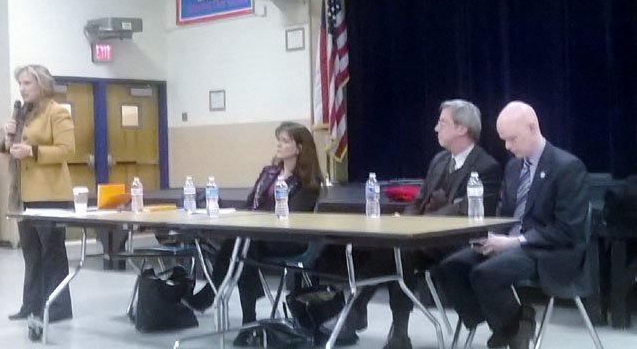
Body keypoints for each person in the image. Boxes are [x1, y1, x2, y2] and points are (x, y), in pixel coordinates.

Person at [332, 99, 502, 349]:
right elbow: (420, 200)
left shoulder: (487, 167)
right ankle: (390, 329)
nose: (436, 128)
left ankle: (374, 319)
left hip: (456, 242)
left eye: (442, 123)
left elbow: (467, 212)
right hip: (421, 237)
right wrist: (407, 220)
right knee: (387, 247)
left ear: (461, 129)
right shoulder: (440, 160)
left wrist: (420, 225)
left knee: (400, 252)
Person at [436, 101, 589, 349]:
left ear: (532, 127)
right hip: (512, 242)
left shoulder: (567, 168)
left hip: (550, 249)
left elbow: (568, 229)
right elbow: (505, 214)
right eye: (504, 140)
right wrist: (490, 237)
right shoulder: (514, 167)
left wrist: (515, 242)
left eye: (512, 139)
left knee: (485, 274)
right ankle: (515, 323)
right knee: (451, 267)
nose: (507, 147)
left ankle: (508, 330)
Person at [185, 121, 323, 347]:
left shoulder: (308, 182)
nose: (279, 145)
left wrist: (257, 219)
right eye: (278, 140)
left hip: (288, 239)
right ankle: (247, 321)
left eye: (285, 141)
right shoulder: (269, 173)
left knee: (241, 245)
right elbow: (251, 204)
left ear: (299, 148)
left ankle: (211, 297)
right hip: (256, 236)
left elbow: (293, 215)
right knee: (241, 244)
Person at [0, 64, 76, 322]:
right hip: (24, 195)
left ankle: (58, 308)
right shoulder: (23, 115)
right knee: (31, 254)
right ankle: (31, 305)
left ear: (42, 85)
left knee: (52, 253)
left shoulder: (57, 112)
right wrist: (8, 138)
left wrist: (33, 152)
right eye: (20, 83)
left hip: (51, 195)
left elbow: (67, 149)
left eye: (27, 83)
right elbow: (13, 150)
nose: (22, 88)